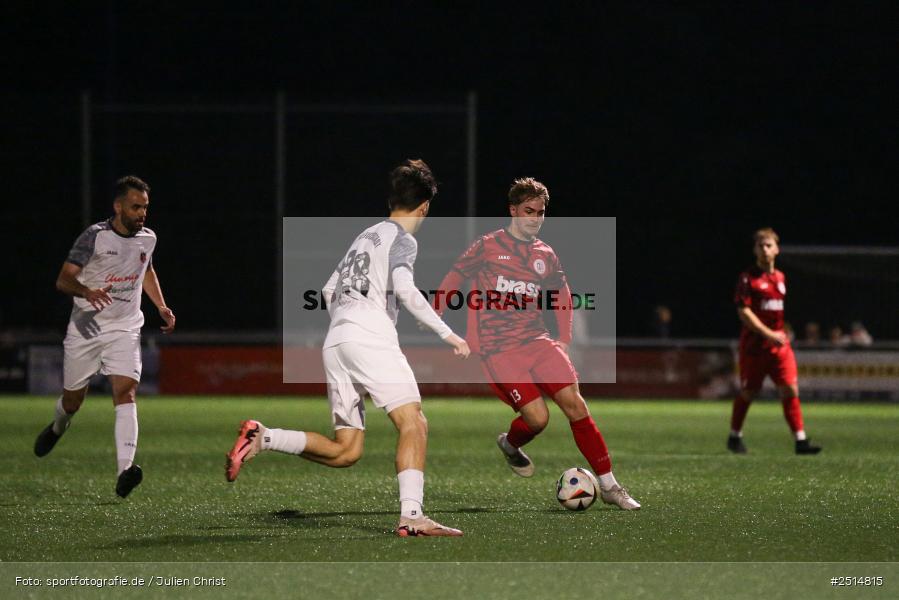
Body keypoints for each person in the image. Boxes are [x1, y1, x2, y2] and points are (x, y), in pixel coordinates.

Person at [226, 159, 470, 537]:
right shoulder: (403, 239)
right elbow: (405, 291)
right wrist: (448, 333)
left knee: (347, 451)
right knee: (414, 422)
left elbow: (327, 290)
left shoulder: (366, 235)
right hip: (369, 338)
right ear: (424, 207)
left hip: (337, 340)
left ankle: (264, 436)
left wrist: (348, 323)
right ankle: (412, 516)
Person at [433, 177, 640, 510]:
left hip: (537, 340)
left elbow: (561, 292)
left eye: (541, 212)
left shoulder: (545, 254)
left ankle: (610, 485)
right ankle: (510, 444)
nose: (535, 218)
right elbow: (453, 280)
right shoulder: (487, 245)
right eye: (528, 211)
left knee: (575, 404)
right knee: (538, 419)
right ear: (513, 210)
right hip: (499, 349)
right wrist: (436, 320)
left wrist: (564, 339)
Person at [33, 176, 176, 497]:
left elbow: (146, 270)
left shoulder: (148, 238)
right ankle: (58, 426)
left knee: (125, 392)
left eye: (145, 207)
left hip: (125, 328)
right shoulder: (94, 237)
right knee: (73, 401)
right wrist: (86, 290)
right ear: (118, 206)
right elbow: (63, 279)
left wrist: (162, 306)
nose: (142, 213)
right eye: (136, 207)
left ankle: (125, 470)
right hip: (86, 328)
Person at [729, 228, 821, 455]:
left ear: (777, 249)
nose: (764, 249)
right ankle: (734, 436)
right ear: (754, 250)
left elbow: (775, 312)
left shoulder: (780, 278)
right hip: (754, 347)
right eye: (760, 245)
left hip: (779, 346)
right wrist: (769, 334)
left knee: (790, 388)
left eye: (768, 245)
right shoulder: (747, 278)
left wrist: (781, 332)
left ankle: (800, 441)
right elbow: (744, 312)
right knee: (749, 392)